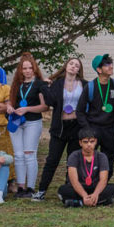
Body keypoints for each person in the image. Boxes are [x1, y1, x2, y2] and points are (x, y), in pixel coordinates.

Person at [35, 57, 87, 201]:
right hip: (60, 127)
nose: (73, 67)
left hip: (76, 127)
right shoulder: (57, 83)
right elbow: (51, 102)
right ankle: (41, 190)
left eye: (77, 65)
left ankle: (68, 190)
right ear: (66, 66)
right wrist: (45, 87)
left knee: (73, 161)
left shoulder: (84, 84)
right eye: (71, 64)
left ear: (79, 70)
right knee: (52, 160)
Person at [7, 52, 48, 197]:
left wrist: (27, 109)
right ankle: (21, 187)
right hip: (17, 123)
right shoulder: (17, 84)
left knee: (29, 154)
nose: (27, 71)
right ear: (20, 70)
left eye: (30, 68)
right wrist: (9, 107)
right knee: (18, 155)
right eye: (24, 68)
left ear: (34, 69)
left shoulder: (39, 84)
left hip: (32, 122)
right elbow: (11, 100)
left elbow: (44, 107)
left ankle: (30, 187)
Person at [76, 54, 114, 178]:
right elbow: (79, 111)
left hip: (110, 130)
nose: (110, 66)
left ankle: (104, 186)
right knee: (90, 159)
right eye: (107, 65)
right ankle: (90, 183)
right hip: (93, 128)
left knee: (109, 159)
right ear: (99, 70)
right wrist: (87, 129)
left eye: (111, 63)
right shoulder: (90, 87)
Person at [57, 128, 114, 207]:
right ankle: (99, 202)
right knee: (63, 190)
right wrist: (84, 195)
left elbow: (103, 180)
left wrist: (95, 194)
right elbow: (74, 181)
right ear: (80, 143)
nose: (89, 144)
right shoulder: (74, 156)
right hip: (79, 188)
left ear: (95, 141)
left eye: (91, 141)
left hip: (95, 187)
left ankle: (79, 203)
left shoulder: (101, 156)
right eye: (85, 142)